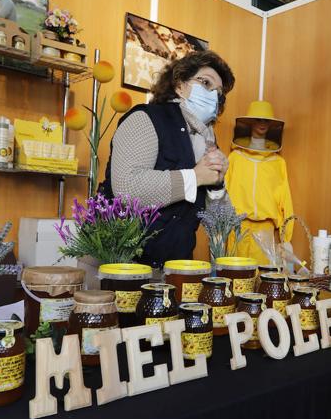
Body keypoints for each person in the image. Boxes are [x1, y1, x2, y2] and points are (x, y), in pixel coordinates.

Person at [101, 50, 235, 266]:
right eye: (206, 83)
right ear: (180, 85)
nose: (213, 96)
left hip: (176, 270)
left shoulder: (207, 142)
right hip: (123, 266)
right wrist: (195, 177)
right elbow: (127, 187)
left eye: (219, 93)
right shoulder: (144, 119)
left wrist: (217, 185)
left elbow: (221, 225)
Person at [225, 100, 293, 264]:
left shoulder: (278, 162)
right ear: (250, 123)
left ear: (271, 125)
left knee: (261, 279)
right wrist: (220, 232)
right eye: (258, 119)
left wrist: (286, 238)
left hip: (266, 230)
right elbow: (223, 194)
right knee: (236, 277)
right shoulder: (235, 158)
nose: (262, 124)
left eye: (266, 120)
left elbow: (286, 200)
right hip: (237, 228)